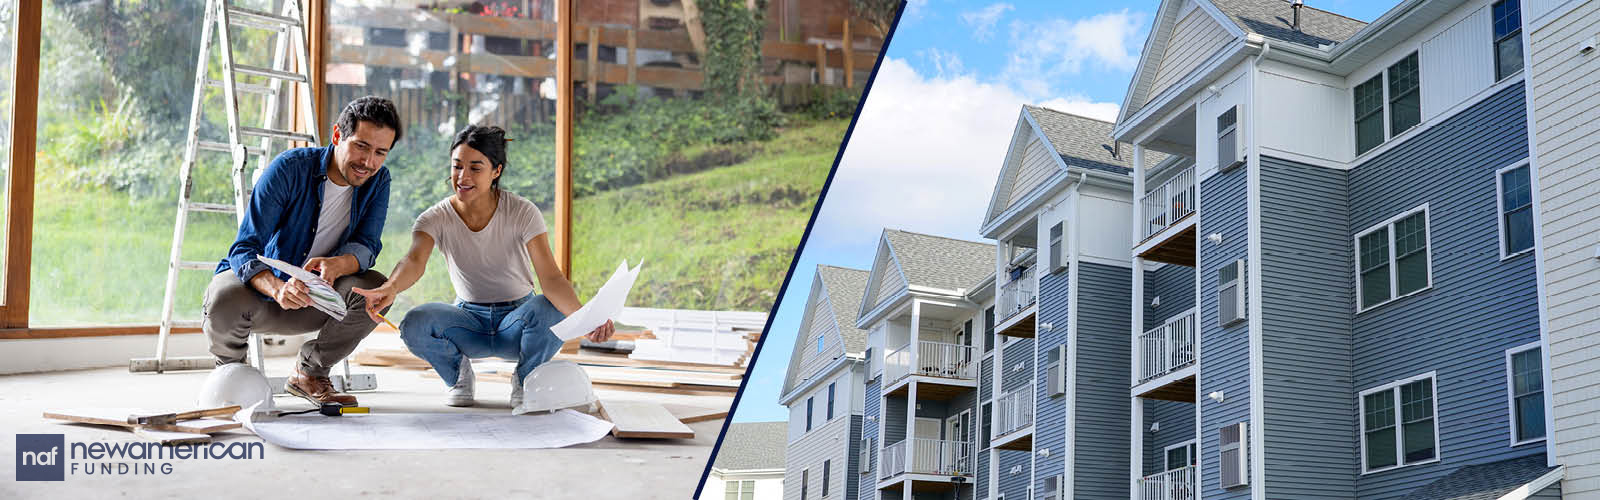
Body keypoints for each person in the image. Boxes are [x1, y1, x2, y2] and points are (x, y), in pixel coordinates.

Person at [352, 125, 614, 408]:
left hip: (518, 322)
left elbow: (551, 278)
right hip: (469, 323)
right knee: (414, 323)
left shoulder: (522, 212)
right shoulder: (435, 218)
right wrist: (390, 288)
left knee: (549, 307)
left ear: (496, 171)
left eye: (475, 168)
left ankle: (525, 379)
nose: (463, 177)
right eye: (457, 166)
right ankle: (458, 377)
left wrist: (586, 319)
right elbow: (414, 261)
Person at [204, 96, 402, 407]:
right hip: (266, 297)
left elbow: (368, 245)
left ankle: (309, 373)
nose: (369, 162)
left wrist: (339, 264)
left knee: (376, 289)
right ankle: (232, 378)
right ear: (337, 136)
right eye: (361, 146)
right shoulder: (289, 169)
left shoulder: (378, 181)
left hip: (320, 301)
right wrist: (278, 287)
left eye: (380, 152)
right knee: (222, 295)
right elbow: (244, 248)